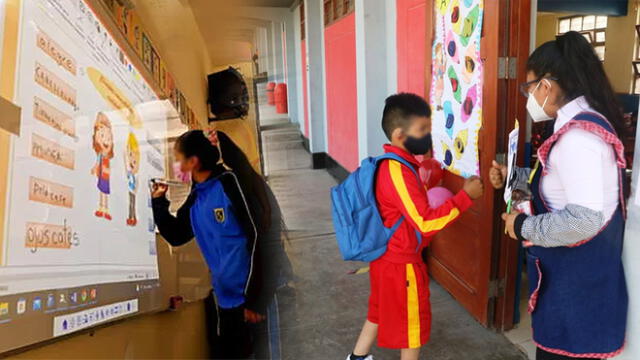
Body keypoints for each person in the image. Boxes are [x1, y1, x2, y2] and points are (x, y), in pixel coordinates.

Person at [492, 31, 628, 360]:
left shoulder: (579, 138)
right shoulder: (575, 127)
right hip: (575, 282)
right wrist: (513, 177)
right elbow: (557, 183)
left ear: (547, 85)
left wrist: (522, 225)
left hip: (579, 290)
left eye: (528, 88)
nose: (528, 97)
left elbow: (584, 220)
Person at [348, 93, 484, 360]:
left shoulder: (396, 165)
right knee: (413, 326)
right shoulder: (397, 171)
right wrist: (465, 196)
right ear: (399, 135)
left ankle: (358, 357)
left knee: (378, 310)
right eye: (422, 129)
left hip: (386, 258)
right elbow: (424, 222)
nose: (427, 135)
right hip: (401, 265)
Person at [151, 130, 264, 359]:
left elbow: (257, 236)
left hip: (249, 299)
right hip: (225, 299)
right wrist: (159, 202)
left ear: (193, 162)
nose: (176, 165)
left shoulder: (229, 183)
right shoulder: (196, 197)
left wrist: (255, 299)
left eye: (178, 159)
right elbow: (177, 235)